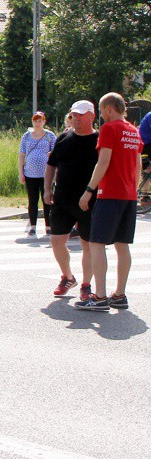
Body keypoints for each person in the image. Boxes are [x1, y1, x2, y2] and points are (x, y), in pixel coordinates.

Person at [75, 93, 143, 311]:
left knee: (96, 244)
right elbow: (137, 166)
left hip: (110, 193)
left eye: (102, 111)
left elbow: (103, 162)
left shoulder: (109, 129)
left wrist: (88, 190)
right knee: (122, 245)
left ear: (110, 109)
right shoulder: (134, 131)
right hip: (129, 195)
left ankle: (100, 297)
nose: (102, 116)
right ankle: (120, 294)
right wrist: (135, 189)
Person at [43, 100, 98, 300]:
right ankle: (67, 277)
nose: (77, 119)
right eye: (74, 115)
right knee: (56, 241)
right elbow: (51, 165)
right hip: (63, 199)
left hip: (88, 201)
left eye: (81, 115)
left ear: (92, 116)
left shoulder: (99, 140)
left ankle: (86, 284)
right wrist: (47, 190)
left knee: (88, 244)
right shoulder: (64, 137)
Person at [19, 111, 56, 236]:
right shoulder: (27, 136)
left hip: (46, 173)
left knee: (47, 199)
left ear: (44, 121)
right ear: (32, 121)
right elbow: (21, 154)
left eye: (40, 121)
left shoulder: (50, 135)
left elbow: (55, 153)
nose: (38, 123)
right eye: (35, 120)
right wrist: (21, 172)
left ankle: (48, 226)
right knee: (32, 200)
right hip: (30, 173)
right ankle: (33, 226)